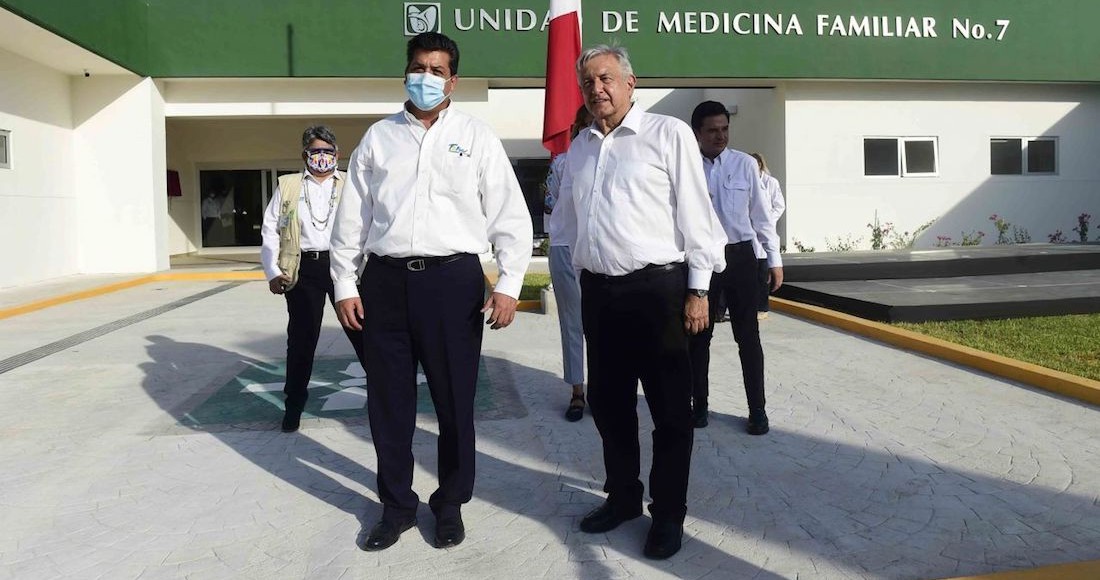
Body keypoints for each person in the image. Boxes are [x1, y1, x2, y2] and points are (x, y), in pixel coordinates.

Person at [330, 32, 533, 552]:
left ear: (453, 80)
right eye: (419, 67)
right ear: (406, 72)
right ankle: (396, 505)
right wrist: (346, 284)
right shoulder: (377, 139)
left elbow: (510, 213)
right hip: (386, 283)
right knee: (388, 402)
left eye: (437, 70)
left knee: (454, 402)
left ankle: (449, 504)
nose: (426, 77)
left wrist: (509, 284)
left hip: (453, 283)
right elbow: (351, 218)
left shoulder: (476, 135)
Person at [555, 45, 726, 560]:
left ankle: (668, 514)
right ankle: (624, 497)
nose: (596, 89)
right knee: (609, 406)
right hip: (600, 295)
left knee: (672, 412)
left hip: (661, 293)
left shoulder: (667, 135)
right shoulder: (579, 149)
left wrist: (698, 290)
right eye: (587, 83)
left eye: (605, 78)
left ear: (631, 82)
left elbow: (698, 217)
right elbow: (564, 224)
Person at [259, 125, 365, 434]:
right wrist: (273, 271)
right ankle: (293, 407)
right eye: (315, 152)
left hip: (345, 268)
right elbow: (270, 230)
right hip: (304, 269)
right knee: (302, 341)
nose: (322, 157)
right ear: (305, 154)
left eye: (327, 152)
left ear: (337, 154)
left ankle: (386, 402)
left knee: (363, 333)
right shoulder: (288, 186)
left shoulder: (351, 183)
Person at [687, 101, 783, 435]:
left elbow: (761, 216)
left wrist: (774, 259)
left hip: (741, 257)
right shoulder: (686, 167)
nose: (720, 136)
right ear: (697, 132)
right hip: (701, 261)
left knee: (749, 337)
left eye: (725, 129)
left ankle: (757, 410)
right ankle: (699, 406)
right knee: (698, 337)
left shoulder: (744, 165)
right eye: (712, 130)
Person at [544, 105, 593, 422]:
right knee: (572, 323)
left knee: (606, 325)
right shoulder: (562, 163)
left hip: (601, 250)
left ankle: (605, 388)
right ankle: (578, 390)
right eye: (587, 126)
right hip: (564, 247)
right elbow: (549, 205)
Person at [750, 152, 786, 319]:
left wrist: (767, 220)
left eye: (756, 164)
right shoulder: (747, 181)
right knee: (750, 275)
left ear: (760, 164)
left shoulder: (771, 183)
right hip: (750, 234)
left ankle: (762, 308)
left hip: (765, 230)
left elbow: (779, 205)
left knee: (763, 275)